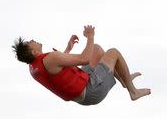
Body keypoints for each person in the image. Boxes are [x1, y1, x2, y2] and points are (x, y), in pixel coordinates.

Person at [12, 25, 150, 106]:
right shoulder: (51, 58)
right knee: (113, 53)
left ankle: (124, 80)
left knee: (96, 49)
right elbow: (84, 59)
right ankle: (133, 91)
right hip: (91, 90)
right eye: (29, 42)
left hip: (82, 91)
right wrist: (90, 36)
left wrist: (68, 49)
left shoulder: (34, 68)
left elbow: (56, 70)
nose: (32, 40)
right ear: (34, 52)